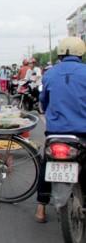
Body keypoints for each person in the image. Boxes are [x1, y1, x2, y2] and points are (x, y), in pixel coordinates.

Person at [34, 37, 86, 223]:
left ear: (61, 53)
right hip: (82, 133)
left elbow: (44, 102)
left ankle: (40, 209)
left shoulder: (50, 74)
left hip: (56, 133)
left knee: (46, 164)